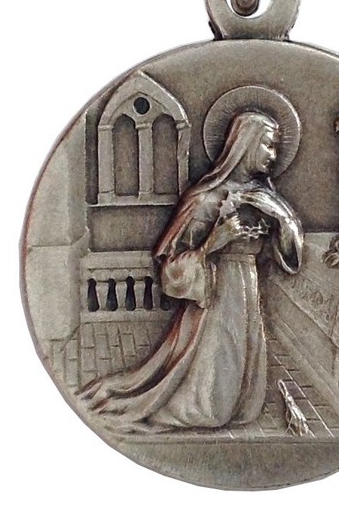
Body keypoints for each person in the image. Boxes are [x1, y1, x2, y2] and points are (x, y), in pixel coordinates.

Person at [78, 111, 303, 431]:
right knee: (210, 409)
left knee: (243, 404)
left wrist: (281, 218)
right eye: (267, 145)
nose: (273, 155)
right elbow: (170, 268)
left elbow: (289, 255)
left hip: (247, 289)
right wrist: (214, 242)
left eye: (275, 147)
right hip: (214, 299)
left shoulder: (264, 197)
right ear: (246, 144)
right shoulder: (205, 200)